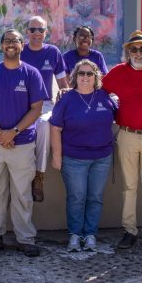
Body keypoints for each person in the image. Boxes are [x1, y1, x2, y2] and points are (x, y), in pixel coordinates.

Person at [0, 29, 48, 257]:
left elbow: (37, 109)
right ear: (1, 46)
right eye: (6, 41)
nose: (10, 44)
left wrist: (14, 132)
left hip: (23, 142)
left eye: (14, 41)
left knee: (22, 194)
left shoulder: (31, 74)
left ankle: (25, 238)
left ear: (21, 45)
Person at [101, 30, 142, 249]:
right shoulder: (117, 72)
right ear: (128, 52)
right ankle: (129, 230)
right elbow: (97, 91)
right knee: (129, 187)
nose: (138, 53)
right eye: (134, 49)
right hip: (127, 136)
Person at [50, 60, 117, 252]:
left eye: (89, 74)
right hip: (74, 159)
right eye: (82, 74)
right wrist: (57, 155)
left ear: (96, 77)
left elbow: (119, 114)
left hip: (102, 158)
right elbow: (55, 128)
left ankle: (90, 235)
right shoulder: (67, 99)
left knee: (95, 197)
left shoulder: (104, 96)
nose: (85, 77)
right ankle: (75, 235)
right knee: (77, 197)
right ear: (75, 77)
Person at [20, 15, 68, 202]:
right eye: (33, 30)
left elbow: (63, 82)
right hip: (21, 103)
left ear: (46, 32)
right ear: (27, 32)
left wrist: (66, 97)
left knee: (45, 127)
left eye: (40, 30)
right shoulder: (20, 50)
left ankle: (39, 176)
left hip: (45, 103)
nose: (36, 33)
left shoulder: (53, 52)